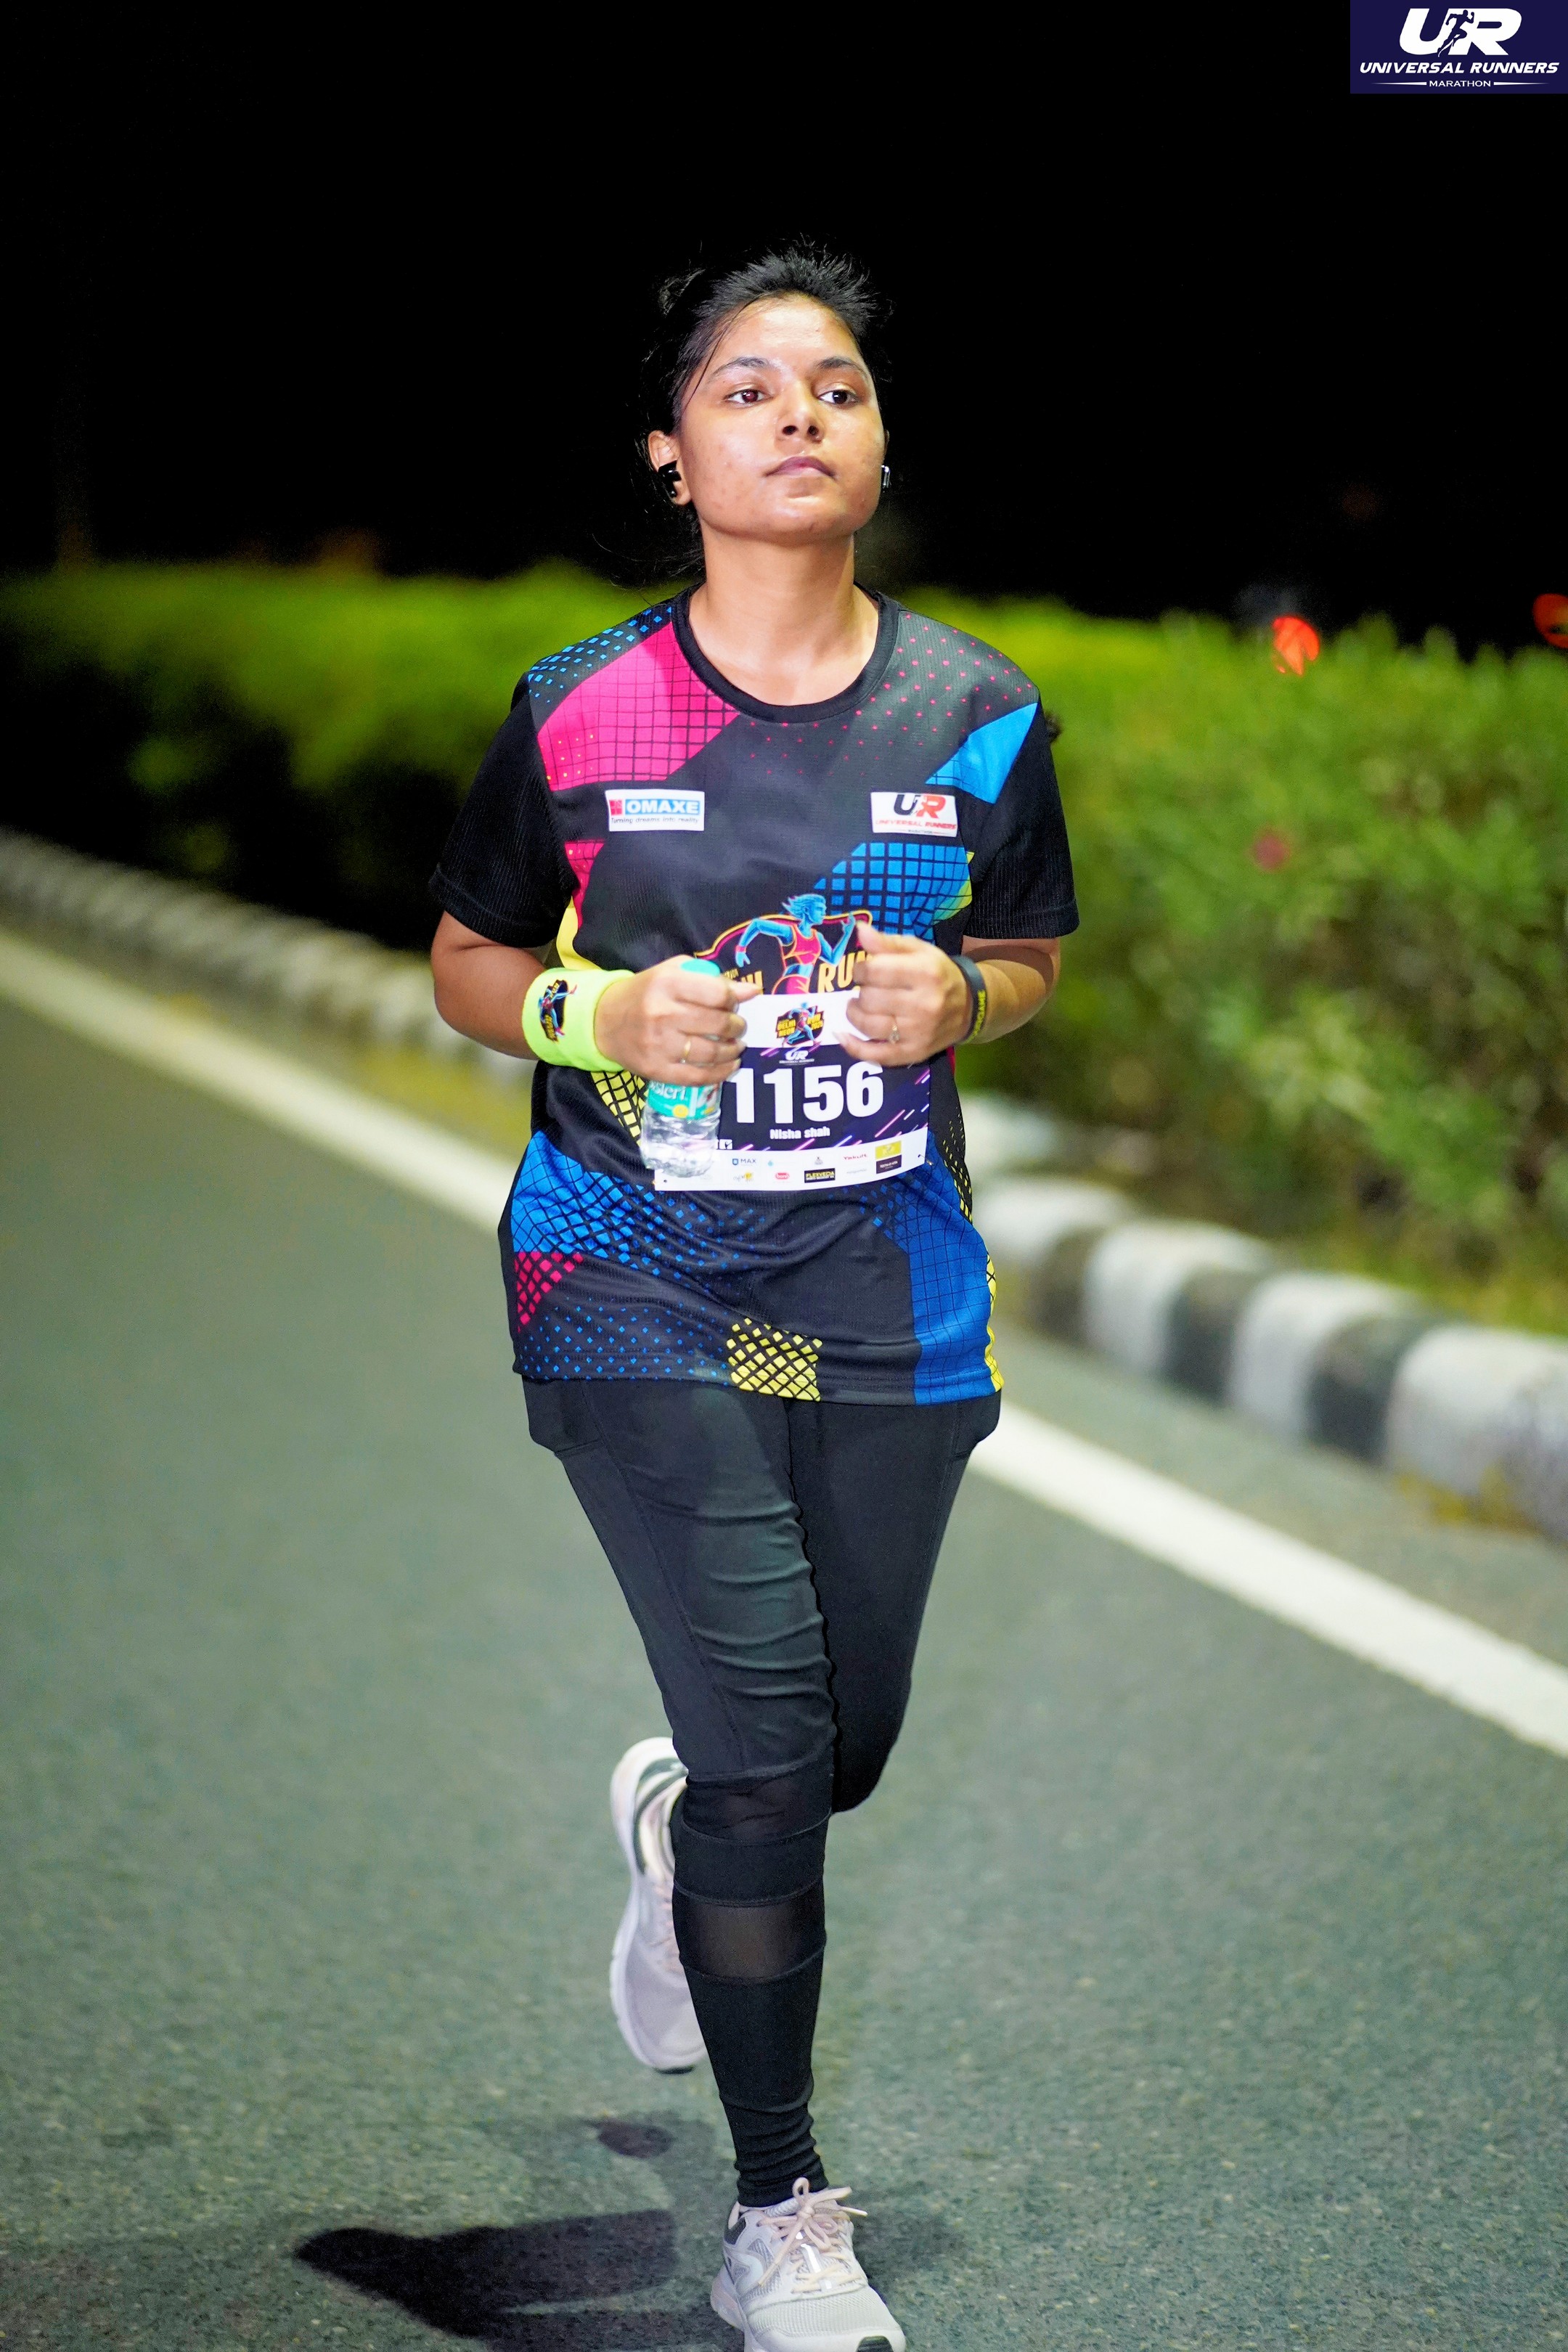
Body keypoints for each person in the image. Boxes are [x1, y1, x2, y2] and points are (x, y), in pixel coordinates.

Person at [429, 248, 1077, 2352]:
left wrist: (958, 998)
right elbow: (466, 962)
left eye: (838, 386)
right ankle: (781, 2211)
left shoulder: (976, 717)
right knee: (777, 1747)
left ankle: (680, 1821)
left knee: (832, 1751)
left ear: (879, 444)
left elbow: (1031, 960)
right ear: (671, 450)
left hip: (883, 1276)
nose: (800, 413)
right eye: (746, 386)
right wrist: (598, 1011)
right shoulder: (580, 708)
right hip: (626, 1265)